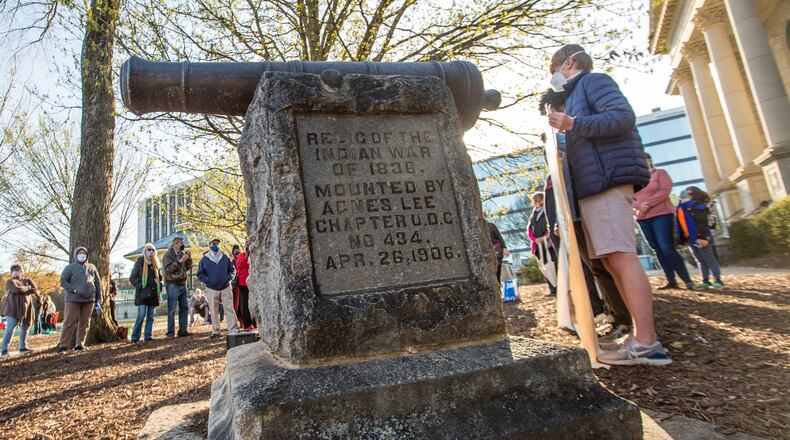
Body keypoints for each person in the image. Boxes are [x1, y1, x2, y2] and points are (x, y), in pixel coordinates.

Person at [547, 44, 670, 366]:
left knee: (621, 257)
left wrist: (572, 125)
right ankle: (640, 336)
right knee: (614, 261)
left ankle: (648, 343)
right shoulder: (573, 95)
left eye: (554, 69)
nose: (552, 77)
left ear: (570, 62)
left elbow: (621, 118)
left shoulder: (593, 82)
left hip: (607, 179)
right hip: (595, 184)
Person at [540, 87, 632, 341]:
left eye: (553, 111)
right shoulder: (557, 137)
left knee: (610, 263)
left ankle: (627, 318)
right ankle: (618, 317)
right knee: (597, 267)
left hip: (590, 205)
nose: (551, 117)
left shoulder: (579, 131)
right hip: (573, 214)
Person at [633, 153, 694, 290]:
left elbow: (665, 190)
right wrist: (638, 208)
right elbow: (631, 198)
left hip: (661, 214)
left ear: (649, 161)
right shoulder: (635, 179)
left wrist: (648, 204)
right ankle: (671, 280)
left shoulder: (659, 173)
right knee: (657, 249)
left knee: (666, 247)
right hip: (643, 218)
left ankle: (687, 279)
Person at [677, 186, 724, 290]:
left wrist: (702, 237)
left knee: (709, 258)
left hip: (701, 237)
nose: (684, 193)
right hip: (691, 238)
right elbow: (681, 224)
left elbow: (702, 222)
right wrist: (681, 240)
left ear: (693, 194)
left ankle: (718, 280)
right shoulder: (683, 207)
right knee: (700, 259)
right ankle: (705, 280)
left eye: (688, 192)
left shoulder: (697, 206)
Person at [57, 247, 102, 354]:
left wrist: (98, 298)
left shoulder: (92, 267)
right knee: (69, 322)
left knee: (85, 322)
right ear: (75, 255)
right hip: (73, 299)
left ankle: (80, 344)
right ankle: (63, 346)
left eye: (84, 253)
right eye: (80, 253)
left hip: (89, 299)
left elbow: (98, 283)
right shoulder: (70, 268)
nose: (82, 255)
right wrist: (74, 289)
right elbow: (63, 281)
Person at [197, 238, 238, 338]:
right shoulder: (204, 259)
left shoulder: (225, 257)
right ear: (210, 245)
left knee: (229, 308)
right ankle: (216, 330)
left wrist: (228, 278)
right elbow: (200, 274)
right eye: (214, 243)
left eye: (217, 243)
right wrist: (208, 280)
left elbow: (233, 271)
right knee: (213, 310)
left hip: (225, 287)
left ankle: (233, 329)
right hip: (212, 288)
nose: (216, 245)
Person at [1, 264, 39, 356]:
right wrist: (28, 288)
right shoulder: (10, 282)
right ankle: (4, 350)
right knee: (11, 329)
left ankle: (23, 347)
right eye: (13, 270)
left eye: (17, 270)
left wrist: (30, 289)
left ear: (21, 272)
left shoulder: (27, 280)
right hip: (13, 309)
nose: (15, 272)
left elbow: (36, 291)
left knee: (25, 328)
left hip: (27, 308)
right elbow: (16, 290)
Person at [129, 243, 162, 343]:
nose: (150, 252)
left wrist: (159, 284)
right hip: (142, 294)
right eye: (148, 250)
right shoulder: (140, 262)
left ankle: (148, 335)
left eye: (152, 250)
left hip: (152, 294)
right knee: (141, 314)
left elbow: (159, 278)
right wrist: (140, 286)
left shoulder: (155, 264)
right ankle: (135, 337)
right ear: (145, 251)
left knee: (150, 316)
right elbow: (132, 278)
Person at [527, 192, 557, 296]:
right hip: (539, 246)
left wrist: (546, 237)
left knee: (554, 264)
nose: (536, 202)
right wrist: (535, 239)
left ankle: (559, 286)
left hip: (549, 244)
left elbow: (551, 225)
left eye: (538, 199)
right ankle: (552, 288)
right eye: (535, 200)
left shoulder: (548, 211)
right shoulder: (533, 214)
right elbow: (530, 229)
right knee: (545, 267)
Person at [163, 237, 192, 338]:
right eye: (180, 243)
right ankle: (170, 332)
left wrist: (188, 259)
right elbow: (168, 270)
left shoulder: (181, 254)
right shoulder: (168, 255)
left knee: (184, 307)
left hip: (182, 283)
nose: (182, 245)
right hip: (172, 284)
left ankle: (183, 330)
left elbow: (187, 268)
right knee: (172, 309)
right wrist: (179, 261)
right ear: (175, 244)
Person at [232, 244, 255, 330]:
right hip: (243, 283)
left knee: (253, 303)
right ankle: (247, 324)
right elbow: (240, 264)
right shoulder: (242, 255)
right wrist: (247, 256)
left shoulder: (255, 256)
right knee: (246, 303)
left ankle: (255, 323)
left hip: (253, 283)